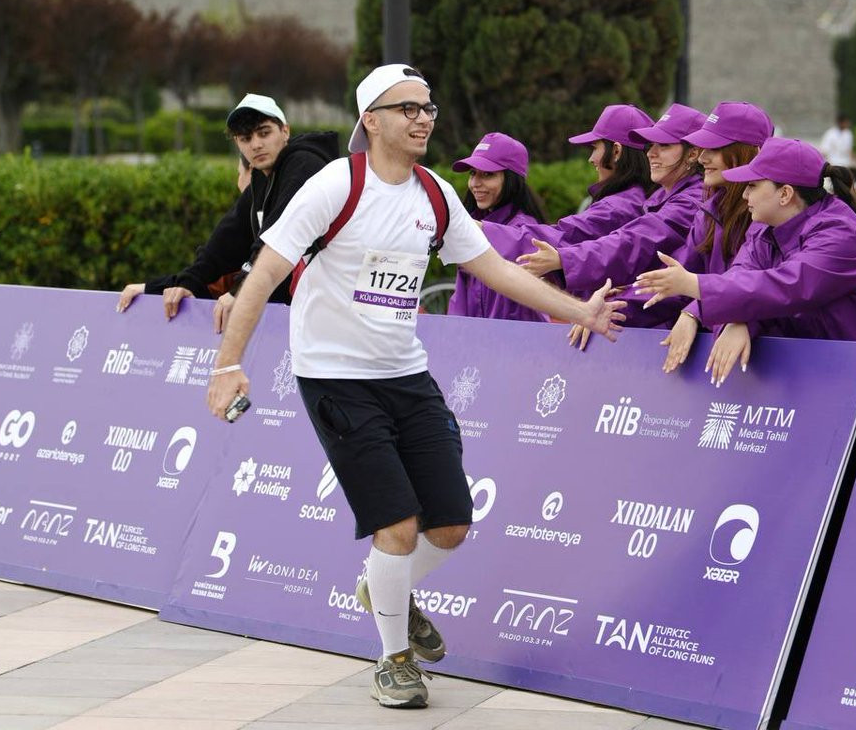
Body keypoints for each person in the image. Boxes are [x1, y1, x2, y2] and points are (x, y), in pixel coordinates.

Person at [205, 64, 626, 710]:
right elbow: (262, 275)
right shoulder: (335, 185)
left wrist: (581, 312)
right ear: (371, 121)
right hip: (335, 377)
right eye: (407, 108)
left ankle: (384, 589)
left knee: (451, 524)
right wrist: (228, 365)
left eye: (428, 107)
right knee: (397, 525)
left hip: (406, 374)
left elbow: (496, 268)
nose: (423, 118)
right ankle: (394, 658)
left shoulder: (435, 195)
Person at [634, 137, 856, 384]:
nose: (744, 196)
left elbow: (786, 287)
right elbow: (743, 276)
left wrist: (693, 285)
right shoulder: (765, 228)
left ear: (785, 194)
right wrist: (736, 319)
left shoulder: (839, 235)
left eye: (752, 186)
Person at [116, 94, 339, 330]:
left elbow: (276, 238)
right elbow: (224, 244)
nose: (256, 144)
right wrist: (182, 283)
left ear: (285, 131)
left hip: (335, 310)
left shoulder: (304, 164)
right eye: (246, 138)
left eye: (264, 133)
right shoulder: (261, 180)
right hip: (303, 314)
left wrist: (240, 291)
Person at [516, 104, 707, 331]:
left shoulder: (682, 201)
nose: (650, 153)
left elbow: (633, 244)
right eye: (651, 145)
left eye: (663, 145)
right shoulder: (657, 199)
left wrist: (564, 260)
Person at [653, 101, 773, 372]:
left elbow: (764, 286)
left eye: (715, 148)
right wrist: (613, 308)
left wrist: (697, 311)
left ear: (750, 153)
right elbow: (678, 278)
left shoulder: (772, 214)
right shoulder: (711, 209)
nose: (702, 158)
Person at [479, 105, 654, 261]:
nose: (591, 159)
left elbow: (561, 235)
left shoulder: (617, 208)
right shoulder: (645, 199)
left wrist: (481, 229)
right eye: (473, 173)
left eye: (594, 148)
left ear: (616, 151)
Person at [446, 132, 548, 321]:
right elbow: (460, 299)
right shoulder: (474, 222)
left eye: (488, 174)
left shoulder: (525, 229)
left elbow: (516, 243)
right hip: (476, 337)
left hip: (516, 337)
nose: (475, 183)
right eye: (472, 173)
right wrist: (455, 332)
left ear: (511, 179)